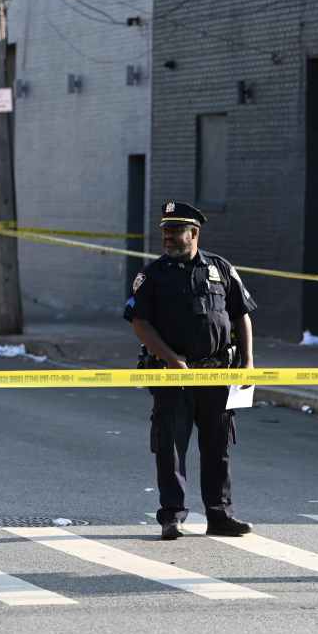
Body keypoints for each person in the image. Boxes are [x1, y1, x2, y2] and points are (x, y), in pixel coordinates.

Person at [125, 201, 257, 540]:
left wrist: (248, 362)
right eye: (165, 231)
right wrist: (171, 359)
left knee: (217, 448)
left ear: (193, 233)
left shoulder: (220, 268)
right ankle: (172, 515)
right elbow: (140, 323)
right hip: (172, 375)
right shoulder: (152, 275)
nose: (167, 237)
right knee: (170, 447)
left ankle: (220, 515)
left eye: (174, 231)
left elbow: (241, 314)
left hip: (216, 375)